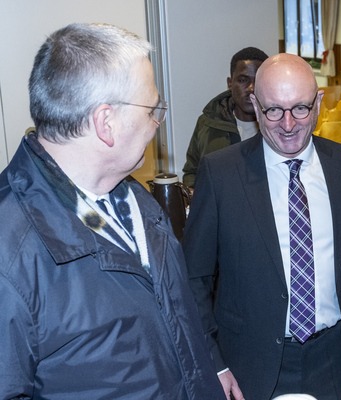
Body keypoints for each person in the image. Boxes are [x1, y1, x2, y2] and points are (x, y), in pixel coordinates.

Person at [0, 23, 224, 399]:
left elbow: (177, 323)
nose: (157, 122)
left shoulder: (136, 199)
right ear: (106, 123)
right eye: (153, 109)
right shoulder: (10, 249)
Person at [183, 53, 341, 400]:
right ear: (254, 105)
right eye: (273, 110)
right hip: (248, 364)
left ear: (318, 103)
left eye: (300, 108)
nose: (288, 124)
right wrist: (214, 362)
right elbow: (195, 278)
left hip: (330, 357)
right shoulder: (221, 173)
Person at [182, 46, 269, 188]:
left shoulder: (279, 125)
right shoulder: (208, 123)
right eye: (243, 80)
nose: (251, 88)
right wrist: (197, 197)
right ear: (230, 83)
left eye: (258, 80)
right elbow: (192, 172)